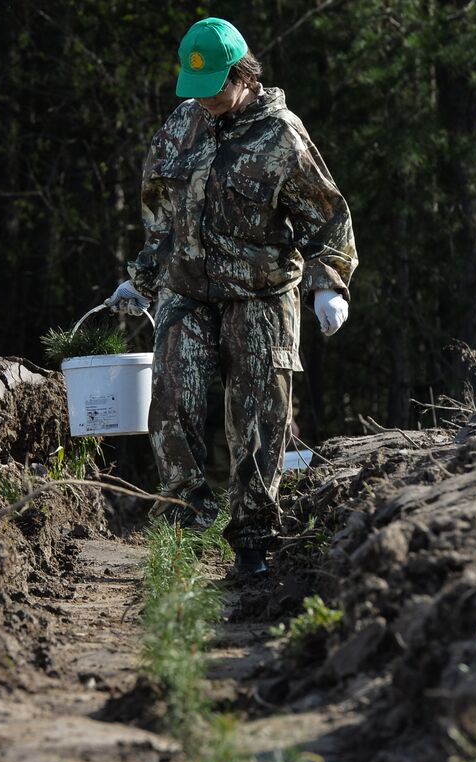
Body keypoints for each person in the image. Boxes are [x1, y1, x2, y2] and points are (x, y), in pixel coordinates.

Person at [107, 16, 358, 577]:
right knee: (172, 405)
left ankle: (253, 542)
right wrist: (142, 277)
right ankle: (184, 532)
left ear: (244, 76)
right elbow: (160, 217)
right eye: (197, 91)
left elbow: (327, 217)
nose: (207, 101)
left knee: (257, 417)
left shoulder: (282, 136)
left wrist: (329, 284)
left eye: (216, 88)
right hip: (186, 291)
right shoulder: (181, 127)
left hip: (260, 294)